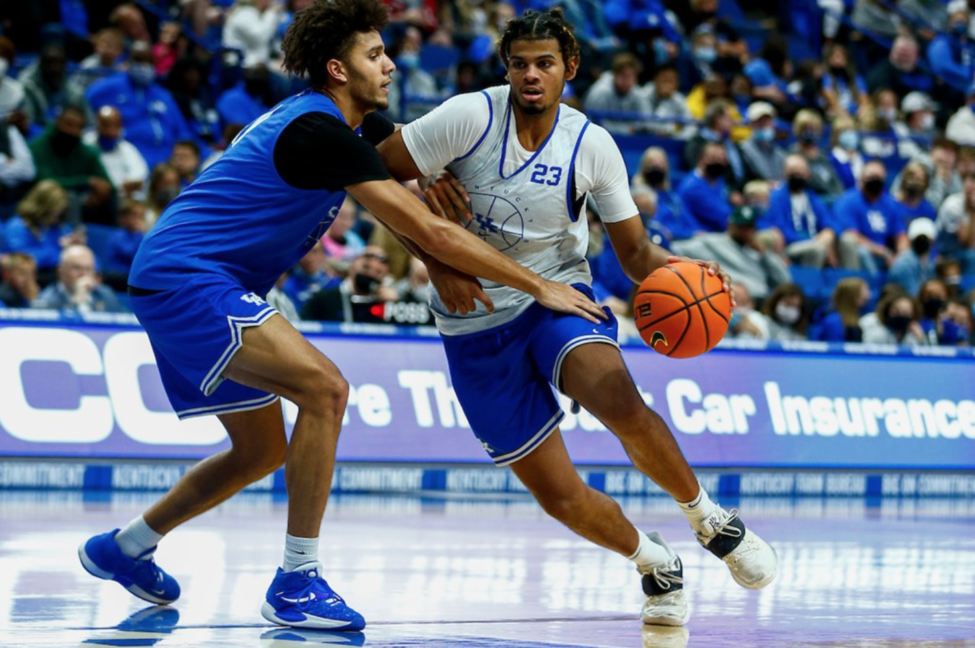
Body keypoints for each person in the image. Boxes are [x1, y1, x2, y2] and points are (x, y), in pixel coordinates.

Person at [77, 0, 604, 633]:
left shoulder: (351, 124)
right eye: (374, 54)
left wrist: (429, 210)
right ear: (337, 68)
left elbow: (413, 185)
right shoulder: (318, 131)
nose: (390, 63)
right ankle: (297, 580)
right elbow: (427, 229)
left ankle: (124, 546)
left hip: (198, 280)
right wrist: (537, 285)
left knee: (261, 450)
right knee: (325, 391)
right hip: (187, 278)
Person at [377, 6, 778, 628]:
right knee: (559, 496)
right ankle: (653, 562)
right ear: (505, 69)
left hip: (556, 297)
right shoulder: (467, 117)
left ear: (570, 67)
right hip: (474, 322)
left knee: (616, 395)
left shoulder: (591, 145)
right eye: (519, 64)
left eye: (544, 64)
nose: (531, 75)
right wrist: (433, 255)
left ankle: (709, 519)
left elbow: (638, 254)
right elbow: (365, 172)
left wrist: (694, 271)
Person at [86, 41, 193, 169]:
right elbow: (85, 105)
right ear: (129, 62)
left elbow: (182, 131)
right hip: (125, 157)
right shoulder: (108, 87)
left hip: (165, 163)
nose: (143, 66)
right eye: (138, 60)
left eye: (147, 62)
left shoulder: (163, 95)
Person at [672, 205, 791, 301]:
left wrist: (765, 254)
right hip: (733, 300)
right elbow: (674, 249)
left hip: (762, 300)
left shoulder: (758, 252)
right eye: (742, 227)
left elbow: (785, 281)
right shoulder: (712, 242)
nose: (746, 231)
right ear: (730, 225)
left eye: (749, 227)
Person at [834, 160, 908, 273]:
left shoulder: (889, 203)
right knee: (862, 252)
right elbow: (851, 236)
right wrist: (882, 252)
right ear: (861, 180)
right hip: (860, 253)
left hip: (885, 256)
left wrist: (900, 256)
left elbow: (901, 235)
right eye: (871, 177)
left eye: (878, 178)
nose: (875, 181)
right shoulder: (847, 200)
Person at [301, 245, 398, 322]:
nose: (370, 275)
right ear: (352, 266)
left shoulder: (388, 306)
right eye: (366, 267)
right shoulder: (322, 300)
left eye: (378, 272)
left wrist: (394, 305)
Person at [83, 106, 150, 201]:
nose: (111, 131)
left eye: (116, 126)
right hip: (90, 197)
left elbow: (139, 176)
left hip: (120, 199)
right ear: (97, 125)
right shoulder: (86, 143)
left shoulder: (127, 149)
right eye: (106, 125)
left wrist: (128, 185)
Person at [33, 244, 123, 313]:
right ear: (60, 271)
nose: (83, 274)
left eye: (88, 269)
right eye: (77, 268)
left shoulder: (106, 295)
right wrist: (77, 301)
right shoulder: (47, 300)